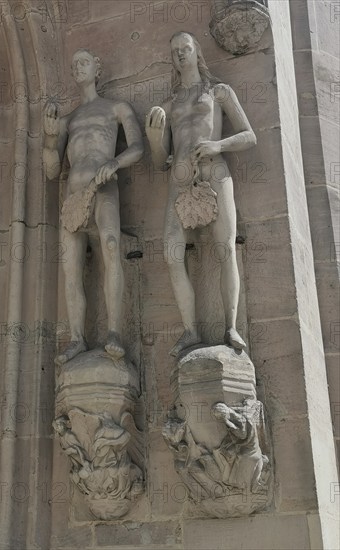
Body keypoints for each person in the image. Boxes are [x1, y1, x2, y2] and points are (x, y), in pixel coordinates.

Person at [146, 31, 256, 357]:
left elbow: (249, 135)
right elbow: (158, 161)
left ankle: (231, 326)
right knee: (171, 252)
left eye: (186, 48)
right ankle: (190, 330)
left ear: (197, 52)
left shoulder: (219, 92)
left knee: (225, 250)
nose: (180, 55)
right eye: (175, 51)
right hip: (179, 178)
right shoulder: (169, 104)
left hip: (215, 171)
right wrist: (154, 139)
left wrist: (218, 145)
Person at [43, 49, 144, 362]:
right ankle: (76, 337)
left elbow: (138, 147)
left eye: (84, 62)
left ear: (97, 68)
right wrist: (49, 138)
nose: (77, 67)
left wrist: (114, 162)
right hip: (74, 193)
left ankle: (114, 331)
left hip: (104, 187)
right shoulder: (69, 120)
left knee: (111, 247)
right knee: (70, 266)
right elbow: (50, 169)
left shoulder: (116, 108)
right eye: (73, 64)